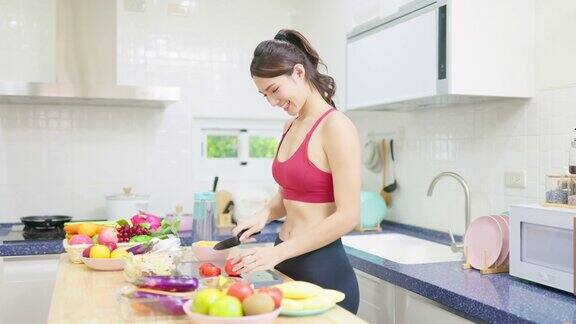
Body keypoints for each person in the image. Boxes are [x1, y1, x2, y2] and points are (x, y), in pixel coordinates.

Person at [229, 29, 361, 314]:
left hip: (322, 269)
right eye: (265, 95)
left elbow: (349, 214)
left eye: (274, 90)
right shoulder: (289, 125)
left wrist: (276, 253)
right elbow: (287, 193)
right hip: (284, 260)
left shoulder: (336, 126)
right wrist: (263, 214)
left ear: (298, 72)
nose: (272, 102)